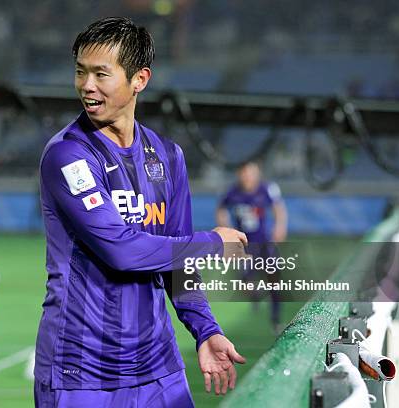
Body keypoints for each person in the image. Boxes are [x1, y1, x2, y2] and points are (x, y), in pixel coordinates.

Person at [34, 17, 247, 408]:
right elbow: (123, 250)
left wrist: (205, 330)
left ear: (139, 79)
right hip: (82, 372)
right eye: (80, 72)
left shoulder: (168, 156)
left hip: (158, 368)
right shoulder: (68, 155)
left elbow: (177, 260)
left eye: (101, 73)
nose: (86, 85)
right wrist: (212, 243)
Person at [216, 161, 288, 333]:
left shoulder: (267, 189)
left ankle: (276, 320)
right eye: (244, 172)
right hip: (245, 245)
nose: (247, 176)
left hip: (264, 242)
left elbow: (278, 208)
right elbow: (221, 209)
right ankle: (256, 296)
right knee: (245, 284)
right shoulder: (233, 192)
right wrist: (226, 228)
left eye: (251, 172)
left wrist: (280, 227)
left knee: (275, 281)